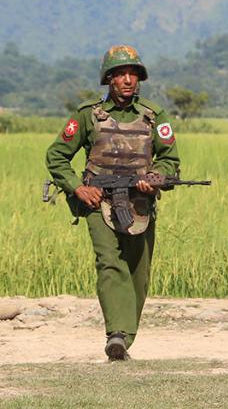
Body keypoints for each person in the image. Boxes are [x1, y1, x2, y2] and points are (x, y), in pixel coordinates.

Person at [46, 45, 180, 361]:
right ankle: (116, 335)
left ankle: (125, 337)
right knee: (109, 262)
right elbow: (56, 155)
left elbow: (170, 160)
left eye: (133, 74)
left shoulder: (153, 115)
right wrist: (78, 188)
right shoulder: (87, 115)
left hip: (140, 204)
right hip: (97, 202)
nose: (128, 80)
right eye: (120, 74)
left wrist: (156, 177)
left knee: (139, 271)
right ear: (109, 79)